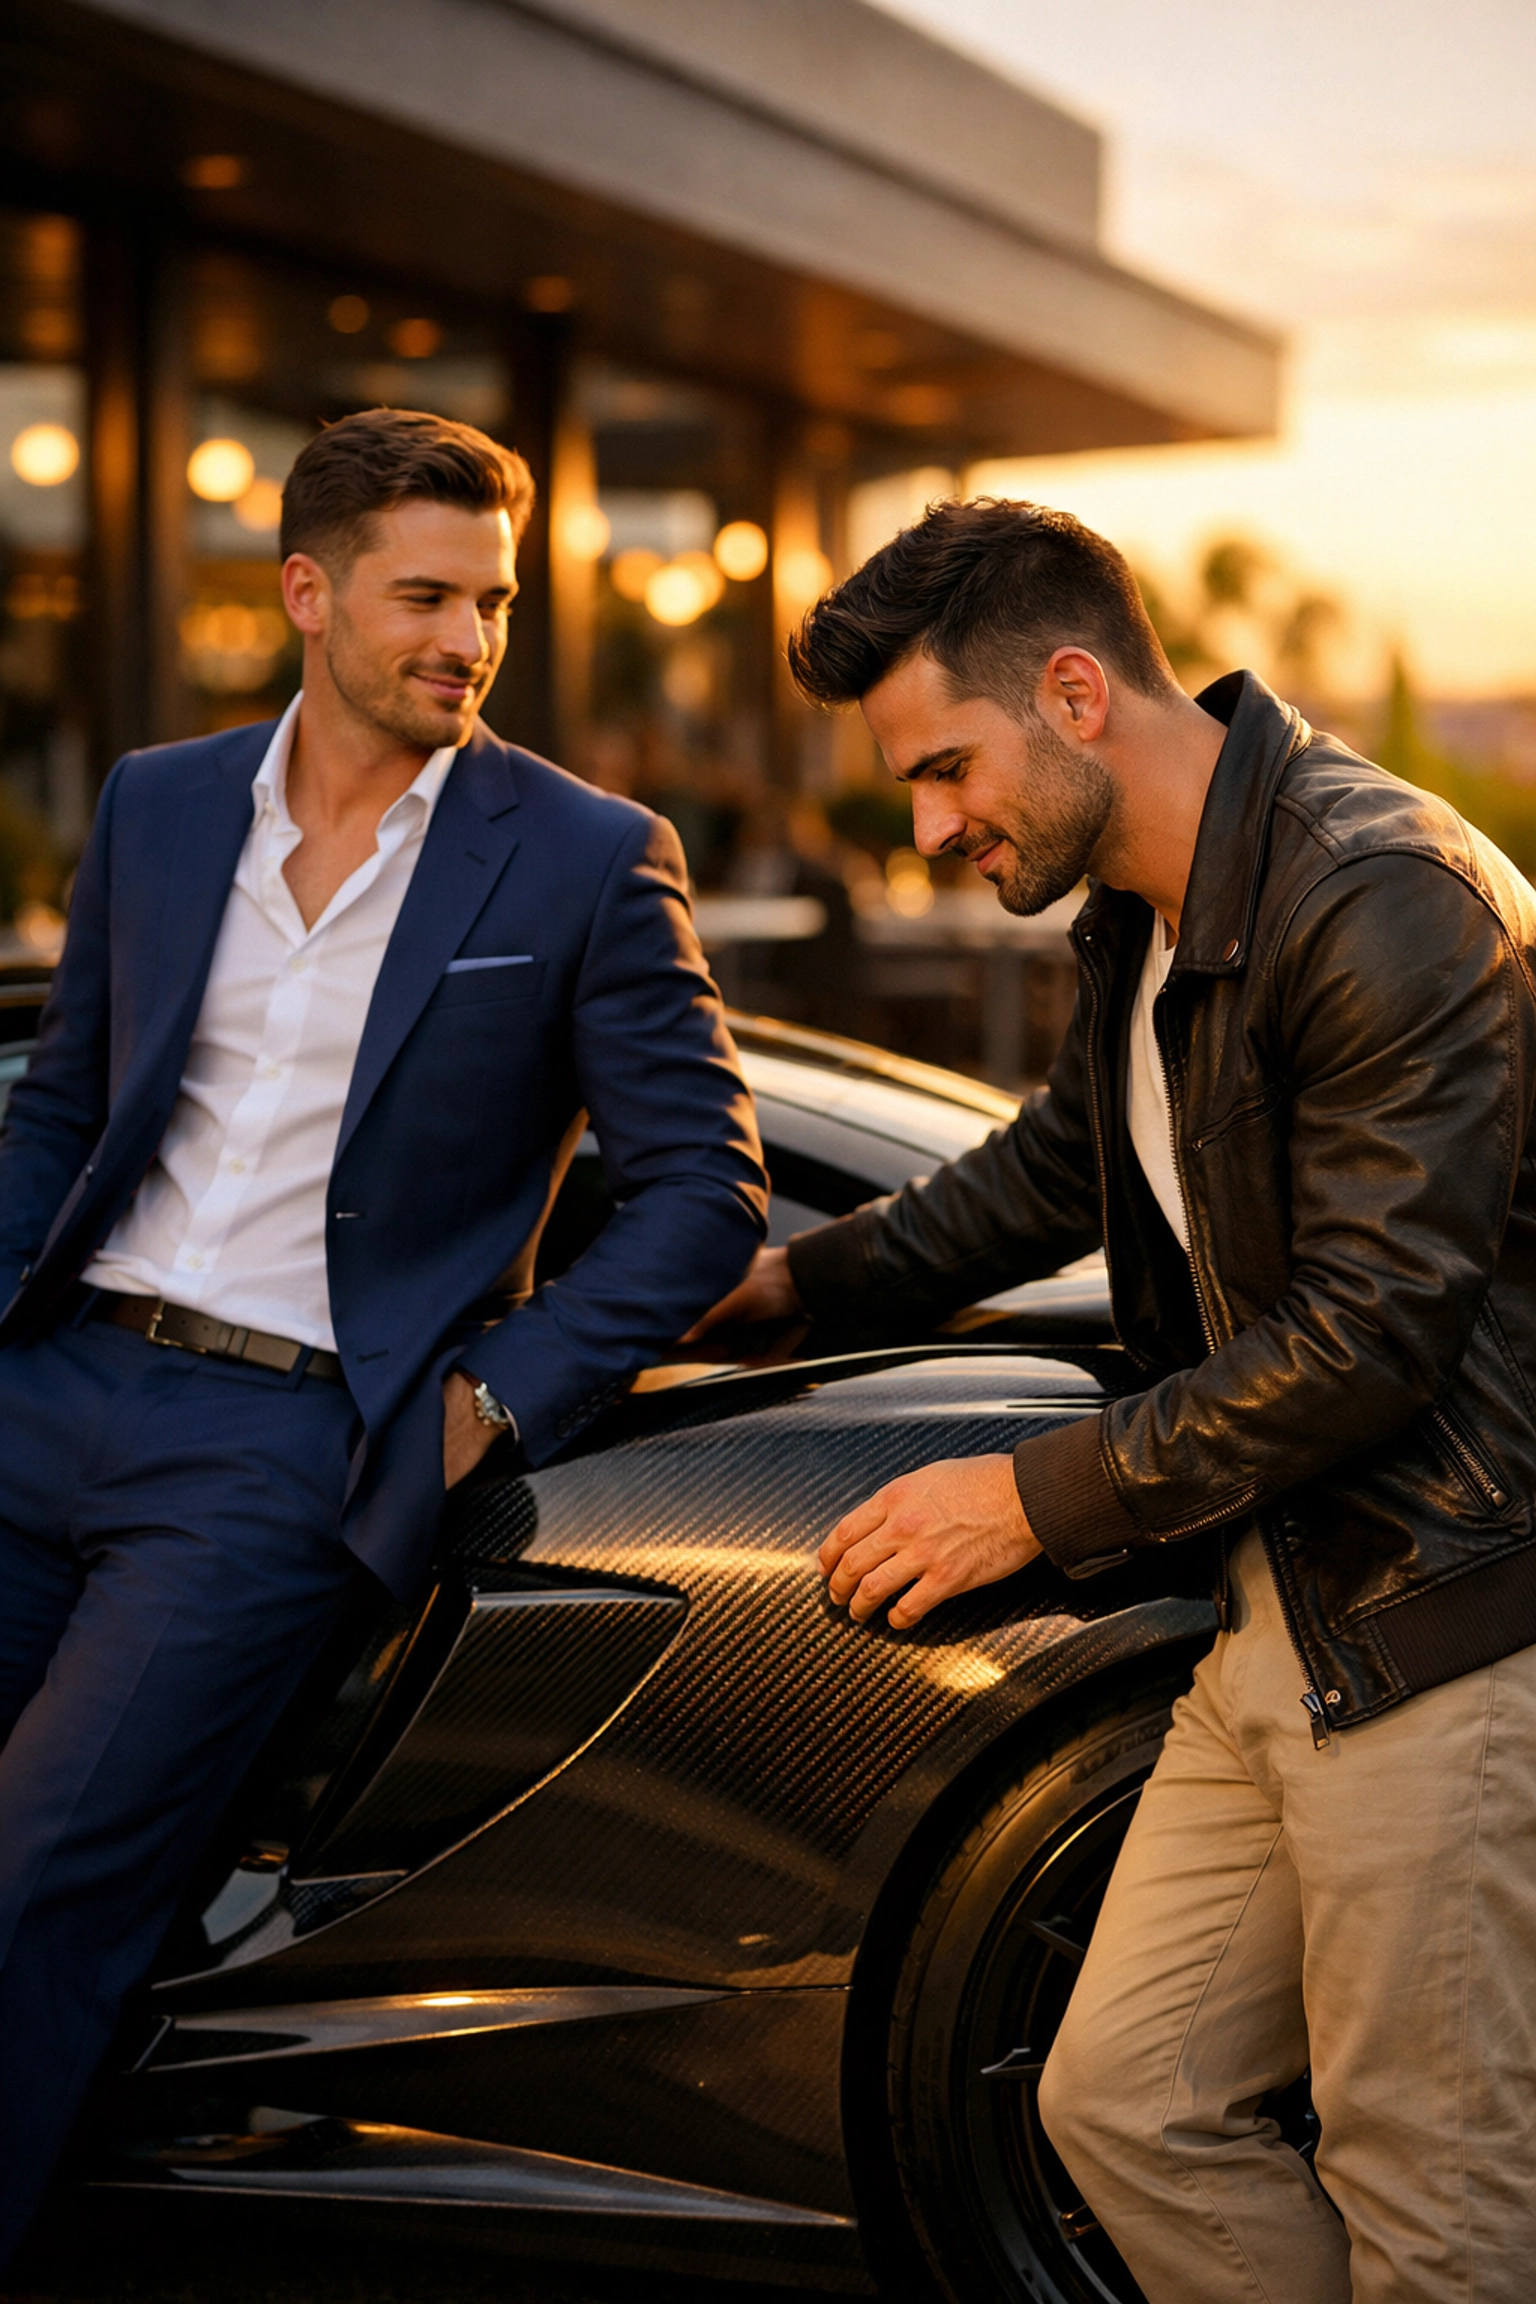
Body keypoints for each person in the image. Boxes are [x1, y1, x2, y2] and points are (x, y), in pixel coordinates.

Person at [704, 498, 1536, 2301]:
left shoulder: (1379, 895)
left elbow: (1377, 1333)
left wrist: (1033, 1496)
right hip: (1283, 1611)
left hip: (1443, 1627)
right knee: (1125, 2101)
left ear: (1075, 692)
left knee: (1434, 2195)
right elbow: (1043, 1173)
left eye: (945, 768)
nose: (925, 829)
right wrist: (783, 1287)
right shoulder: (1147, 918)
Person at [0, 407, 767, 2261]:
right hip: (50, 1385)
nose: (468, 639)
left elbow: (703, 1187)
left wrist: (493, 1395)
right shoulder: (159, 804)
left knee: (37, 1889)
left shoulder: (587, 857)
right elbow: (63, 1105)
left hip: (276, 1454)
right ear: (306, 593)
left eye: (491, 602)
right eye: (426, 596)